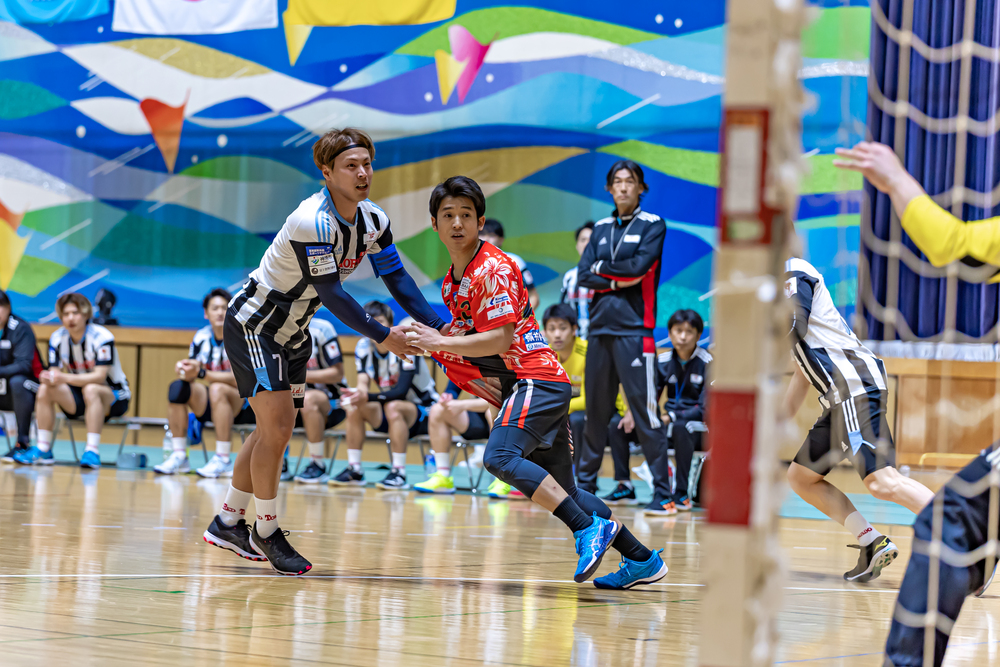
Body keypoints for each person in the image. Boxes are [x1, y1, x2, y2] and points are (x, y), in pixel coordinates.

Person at [200, 127, 445, 575]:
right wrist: (383, 335)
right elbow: (331, 294)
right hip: (257, 326)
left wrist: (440, 326)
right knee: (276, 430)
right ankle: (266, 530)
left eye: (367, 164)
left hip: (296, 331)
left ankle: (227, 521)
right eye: (351, 166)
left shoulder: (373, 219)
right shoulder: (311, 220)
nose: (363, 173)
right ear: (326, 172)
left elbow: (397, 278)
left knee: (271, 431)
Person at [406, 175, 668, 589]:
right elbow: (469, 342)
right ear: (434, 224)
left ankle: (587, 529)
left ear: (480, 222)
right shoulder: (453, 281)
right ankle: (642, 560)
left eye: (466, 215)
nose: (457, 223)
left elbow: (500, 339)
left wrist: (437, 341)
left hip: (536, 378)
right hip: (527, 383)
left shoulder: (492, 267)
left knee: (499, 457)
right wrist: (423, 342)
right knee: (566, 492)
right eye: (448, 215)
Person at [834, 140, 1000, 666]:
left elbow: (951, 243)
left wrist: (894, 178)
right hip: (833, 400)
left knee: (940, 517)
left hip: (855, 390)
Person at [780, 254, 934, 582]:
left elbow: (794, 326)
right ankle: (871, 541)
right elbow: (802, 372)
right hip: (839, 398)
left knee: (882, 482)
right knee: (801, 477)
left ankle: (971, 538)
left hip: (853, 387)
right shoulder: (776, 291)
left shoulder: (793, 268)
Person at [575, 160, 673, 515]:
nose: (623, 187)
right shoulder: (600, 228)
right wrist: (618, 278)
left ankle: (663, 494)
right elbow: (584, 274)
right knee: (595, 415)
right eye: (617, 181)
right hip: (599, 331)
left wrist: (604, 271)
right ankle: (583, 489)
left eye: (630, 181)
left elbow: (639, 267)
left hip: (635, 331)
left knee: (646, 415)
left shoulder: (653, 225)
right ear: (609, 188)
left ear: (640, 187)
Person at [328, 301, 437, 490]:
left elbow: (401, 392)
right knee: (355, 406)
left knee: (393, 406)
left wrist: (367, 397)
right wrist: (355, 395)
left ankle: (398, 472)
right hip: (391, 410)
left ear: (391, 325)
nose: (375, 327)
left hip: (425, 412)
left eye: (380, 322)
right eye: (370, 322)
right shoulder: (363, 346)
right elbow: (363, 385)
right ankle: (354, 469)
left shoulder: (406, 344)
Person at [16, 293, 130, 469]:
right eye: (66, 314)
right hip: (78, 397)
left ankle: (92, 450)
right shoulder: (57, 338)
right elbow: (55, 374)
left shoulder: (102, 337)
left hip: (113, 396)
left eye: (75, 313)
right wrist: (48, 377)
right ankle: (43, 448)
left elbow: (99, 376)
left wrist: (63, 377)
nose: (70, 318)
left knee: (91, 389)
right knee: (45, 388)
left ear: (85, 314)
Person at [157, 288, 256, 477]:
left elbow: (242, 379)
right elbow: (194, 369)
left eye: (224, 308)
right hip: (213, 401)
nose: (220, 312)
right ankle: (179, 455)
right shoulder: (201, 337)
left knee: (218, 388)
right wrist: (184, 369)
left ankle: (223, 459)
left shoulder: (242, 336)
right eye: (215, 308)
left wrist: (203, 373)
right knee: (178, 388)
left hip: (243, 402)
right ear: (206, 313)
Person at [639, 309, 711, 514]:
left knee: (681, 427)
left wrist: (672, 416)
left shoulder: (707, 362)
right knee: (629, 427)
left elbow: (704, 408)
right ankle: (635, 487)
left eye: (689, 332)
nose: (683, 337)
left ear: (698, 335)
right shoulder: (662, 361)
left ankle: (681, 492)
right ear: (670, 334)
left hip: (699, 428)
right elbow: (650, 396)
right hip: (669, 422)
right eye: (678, 331)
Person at [412, 378, 492, 494]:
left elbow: (502, 399)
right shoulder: (466, 366)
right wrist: (448, 397)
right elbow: (452, 388)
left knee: (494, 411)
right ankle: (443, 475)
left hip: (504, 418)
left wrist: (462, 404)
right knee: (438, 409)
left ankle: (501, 479)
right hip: (477, 421)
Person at [292, 317, 347, 483]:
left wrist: (296, 376)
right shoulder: (276, 327)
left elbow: (337, 373)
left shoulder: (322, 328)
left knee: (307, 399)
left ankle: (317, 464)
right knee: (273, 399)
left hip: (331, 401)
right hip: (294, 400)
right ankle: (281, 462)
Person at [0, 289, 42, 461]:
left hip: (32, 385)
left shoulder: (20, 328)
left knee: (18, 382)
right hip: (3, 388)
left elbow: (24, 365)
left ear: (8, 308)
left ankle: (22, 443)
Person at [479, 218, 540, 312]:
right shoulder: (468, 263)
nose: (486, 239)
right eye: (482, 234)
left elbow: (533, 296)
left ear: (501, 240)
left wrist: (521, 318)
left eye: (491, 235)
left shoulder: (514, 261)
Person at [560, 222, 595, 339]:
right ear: (577, 245)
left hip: (599, 338)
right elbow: (564, 309)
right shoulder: (569, 277)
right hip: (575, 340)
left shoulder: (605, 274)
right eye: (583, 240)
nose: (586, 244)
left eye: (591, 240)